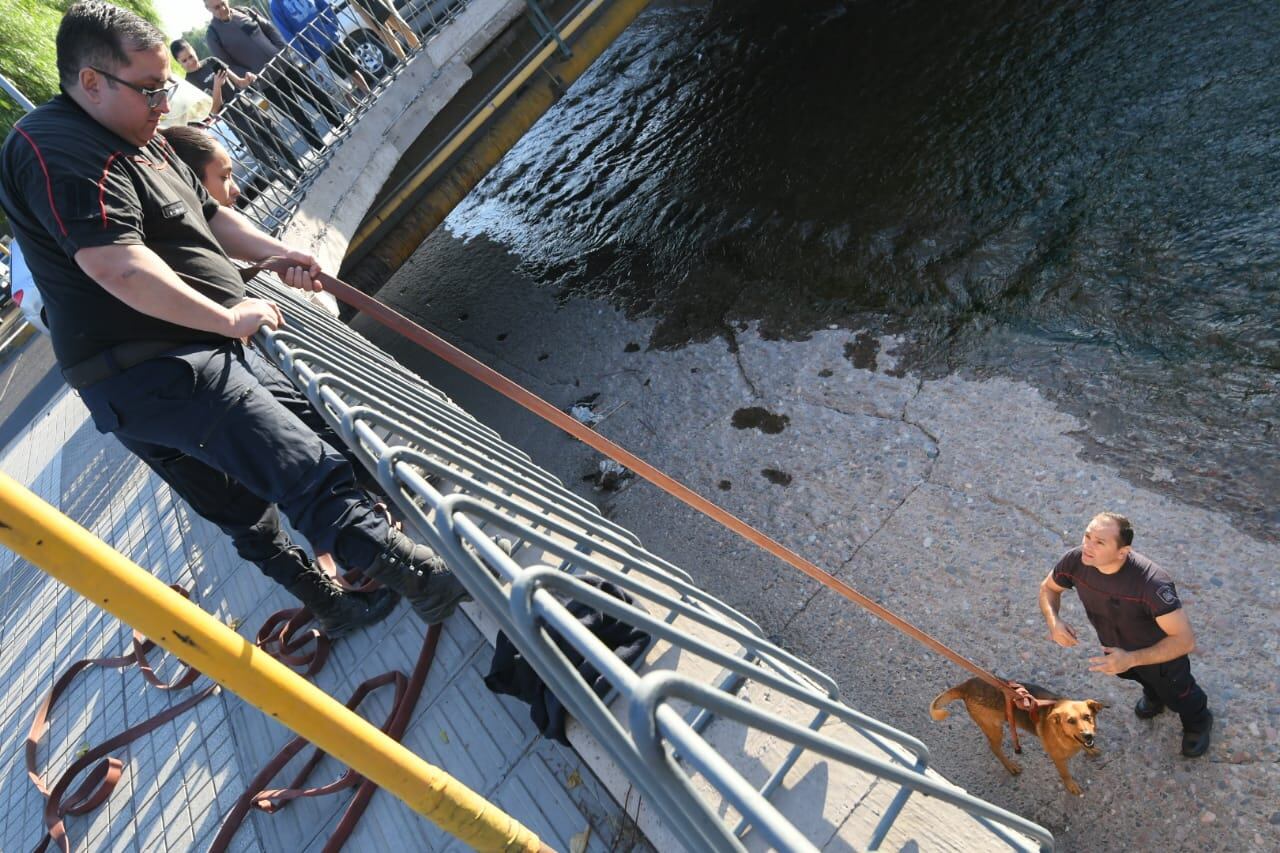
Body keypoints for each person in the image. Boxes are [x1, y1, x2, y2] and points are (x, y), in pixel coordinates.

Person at [0, 1, 470, 632]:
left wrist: (280, 255)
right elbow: (117, 267)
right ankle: (430, 582)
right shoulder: (55, 148)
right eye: (149, 90)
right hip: (153, 366)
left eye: (166, 85)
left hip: (203, 343)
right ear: (91, 82)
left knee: (316, 437)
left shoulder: (142, 138)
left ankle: (381, 576)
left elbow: (214, 218)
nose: (165, 101)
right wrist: (226, 320)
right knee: (295, 469)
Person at [1039, 512, 1212, 757]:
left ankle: (1199, 722)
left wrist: (1132, 657)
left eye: (1100, 542)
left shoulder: (1151, 584)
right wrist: (1054, 621)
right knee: (1135, 677)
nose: (1087, 546)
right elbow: (1048, 588)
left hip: (1162, 658)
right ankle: (1154, 696)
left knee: (1180, 694)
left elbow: (1185, 641)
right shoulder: (1076, 561)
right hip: (1116, 649)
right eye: (1087, 536)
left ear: (1123, 552)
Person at [204, 0, 344, 152]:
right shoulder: (213, 35)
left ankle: (339, 121)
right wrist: (247, 75)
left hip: (284, 64)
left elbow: (269, 29)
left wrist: (281, 48)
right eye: (216, 7)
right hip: (265, 81)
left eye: (223, 3)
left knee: (316, 94)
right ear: (208, 9)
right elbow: (227, 64)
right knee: (296, 114)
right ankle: (321, 147)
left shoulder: (244, 11)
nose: (222, 9)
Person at [170, 38, 304, 176]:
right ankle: (290, 184)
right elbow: (214, 111)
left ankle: (301, 173)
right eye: (184, 61)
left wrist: (248, 78)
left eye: (191, 56)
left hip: (249, 108)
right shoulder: (189, 84)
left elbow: (239, 83)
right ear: (178, 63)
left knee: (278, 142)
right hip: (236, 121)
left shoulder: (212, 61)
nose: (190, 62)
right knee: (264, 156)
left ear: (193, 50)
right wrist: (217, 86)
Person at [269, 0, 371, 107]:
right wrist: (303, 54)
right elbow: (287, 33)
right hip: (313, 50)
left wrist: (332, 25)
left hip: (331, 38)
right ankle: (354, 105)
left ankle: (369, 93)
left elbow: (323, 4)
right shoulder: (276, 5)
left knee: (351, 67)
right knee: (335, 81)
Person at [351, 0, 420, 62]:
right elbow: (359, 10)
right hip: (372, 8)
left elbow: (359, 10)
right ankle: (411, 53)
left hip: (373, 7)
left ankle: (410, 53)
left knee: (394, 30)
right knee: (394, 30)